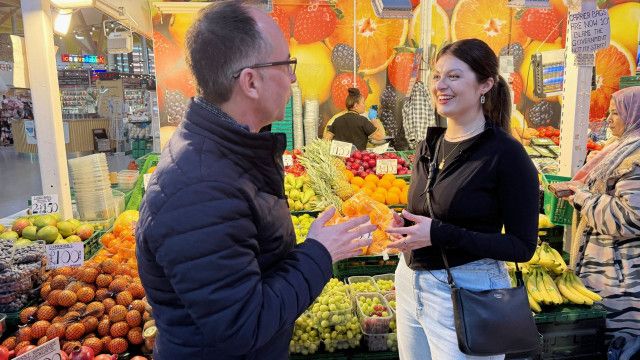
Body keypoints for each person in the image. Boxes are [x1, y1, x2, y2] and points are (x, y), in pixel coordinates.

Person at [135, 2, 376, 359]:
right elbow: (241, 325)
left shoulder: (229, 157)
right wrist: (320, 254)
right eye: (286, 65)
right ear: (250, 81)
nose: (293, 78)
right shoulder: (201, 189)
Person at [384, 38, 539, 359]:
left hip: (468, 290)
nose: (441, 85)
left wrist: (438, 233)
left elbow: (522, 247)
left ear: (485, 84)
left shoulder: (505, 154)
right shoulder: (430, 145)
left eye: (454, 76)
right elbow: (428, 213)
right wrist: (403, 225)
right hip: (410, 285)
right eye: (437, 76)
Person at [564, 86, 640, 342]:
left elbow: (631, 217)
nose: (609, 119)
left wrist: (583, 197)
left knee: (619, 343)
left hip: (623, 278)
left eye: (616, 113)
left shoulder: (636, 157)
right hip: (609, 271)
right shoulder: (622, 148)